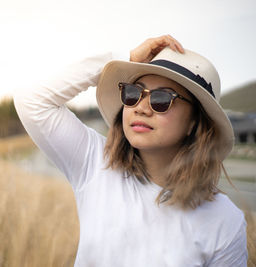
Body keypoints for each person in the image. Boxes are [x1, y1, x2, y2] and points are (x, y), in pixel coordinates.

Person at [13, 35, 248, 266]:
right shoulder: (96, 163)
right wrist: (124, 58)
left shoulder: (224, 221)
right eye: (133, 94)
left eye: (161, 99)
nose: (141, 108)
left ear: (194, 123)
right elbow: (31, 100)